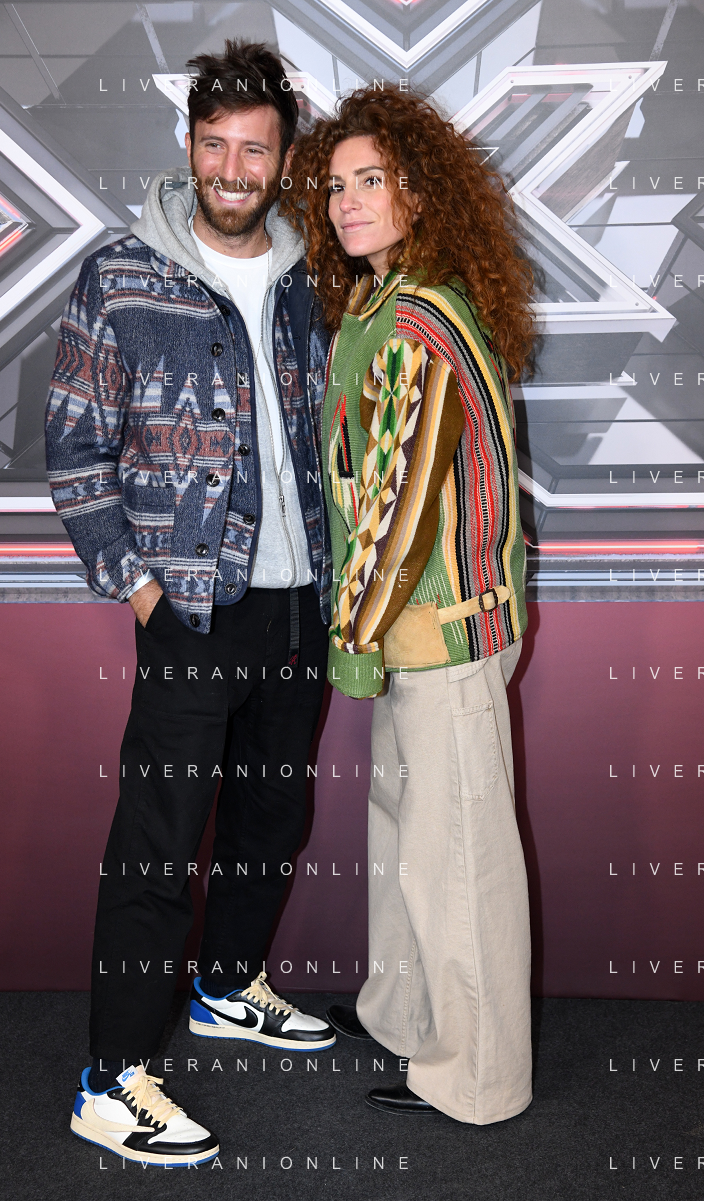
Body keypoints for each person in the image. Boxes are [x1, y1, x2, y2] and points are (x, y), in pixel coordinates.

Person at [45, 40, 335, 1168]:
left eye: (253, 149)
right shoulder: (121, 274)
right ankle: (109, 1079)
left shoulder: (313, 276)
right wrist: (140, 584)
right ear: (188, 145)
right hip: (192, 609)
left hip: (299, 603)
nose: (231, 168)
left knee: (270, 817)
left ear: (282, 159)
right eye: (214, 144)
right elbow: (74, 447)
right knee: (158, 845)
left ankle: (226, 986)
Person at [284, 85, 535, 1125]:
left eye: (370, 181)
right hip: (407, 630)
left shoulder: (419, 317)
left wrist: (353, 637)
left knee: (458, 857)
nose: (345, 201)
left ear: (419, 194)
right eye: (335, 185)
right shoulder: (378, 302)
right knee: (405, 833)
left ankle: (478, 1078)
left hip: (437, 624)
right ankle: (405, 1014)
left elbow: (401, 504)